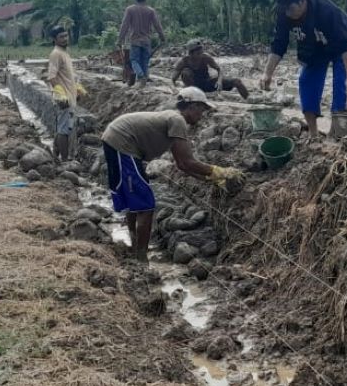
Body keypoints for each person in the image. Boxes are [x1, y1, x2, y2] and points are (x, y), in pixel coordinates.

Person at [100, 87, 241, 262]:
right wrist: (220, 171)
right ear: (192, 106)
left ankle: (135, 245)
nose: (202, 115)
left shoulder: (173, 119)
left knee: (135, 200)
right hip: (122, 143)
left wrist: (209, 179)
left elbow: (181, 164)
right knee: (146, 205)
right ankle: (141, 257)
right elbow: (189, 162)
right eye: (201, 110)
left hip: (118, 140)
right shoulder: (178, 120)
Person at [261, 0, 347, 140]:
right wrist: (267, 73)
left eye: (290, 9)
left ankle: (335, 135)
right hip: (314, 46)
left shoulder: (326, 10)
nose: (287, 14)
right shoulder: (284, 14)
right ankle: (313, 135)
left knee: (341, 83)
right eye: (284, 10)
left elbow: (345, 44)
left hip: (342, 42)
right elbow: (279, 44)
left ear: (302, 2)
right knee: (306, 81)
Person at [46, 26, 86, 161]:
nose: (65, 39)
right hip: (64, 99)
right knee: (64, 131)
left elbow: (68, 76)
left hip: (69, 95)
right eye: (61, 37)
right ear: (54, 39)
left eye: (66, 36)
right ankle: (64, 160)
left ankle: (55, 155)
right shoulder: (56, 54)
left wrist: (77, 89)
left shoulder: (65, 52)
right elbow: (52, 77)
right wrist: (61, 95)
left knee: (63, 128)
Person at [118, 0, 166, 86]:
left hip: (135, 40)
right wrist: (162, 37)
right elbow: (157, 25)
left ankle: (141, 76)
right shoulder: (150, 11)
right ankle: (143, 80)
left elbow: (125, 25)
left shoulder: (130, 9)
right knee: (145, 61)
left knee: (134, 60)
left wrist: (120, 39)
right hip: (146, 40)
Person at [173, 39, 250, 100]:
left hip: (207, 83)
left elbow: (219, 69)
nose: (200, 55)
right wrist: (175, 89)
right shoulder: (183, 61)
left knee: (237, 82)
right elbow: (173, 79)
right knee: (185, 72)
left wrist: (219, 81)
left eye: (201, 52)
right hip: (193, 88)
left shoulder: (205, 57)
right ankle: (194, 96)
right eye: (198, 54)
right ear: (190, 53)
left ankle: (248, 99)